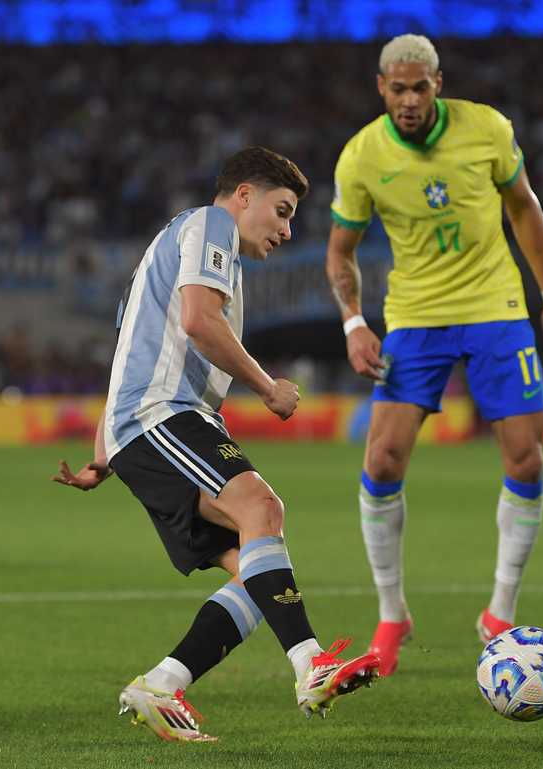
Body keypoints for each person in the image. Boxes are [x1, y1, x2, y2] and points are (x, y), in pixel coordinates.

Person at [53, 147, 379, 742]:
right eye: (281, 212)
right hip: (162, 417)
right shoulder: (211, 225)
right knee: (263, 508)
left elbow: (127, 350)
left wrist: (103, 456)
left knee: (258, 574)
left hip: (143, 428)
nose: (285, 229)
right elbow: (200, 322)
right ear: (244, 195)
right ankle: (310, 665)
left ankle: (161, 683)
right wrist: (268, 388)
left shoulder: (172, 248)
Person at [325, 34, 543, 675]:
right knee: (381, 460)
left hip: (497, 309)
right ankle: (391, 614)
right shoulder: (360, 157)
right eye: (397, 88)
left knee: (525, 454)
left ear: (439, 83)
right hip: (415, 319)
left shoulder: (487, 129)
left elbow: (524, 207)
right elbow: (340, 252)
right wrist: (355, 323)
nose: (409, 100)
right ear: (380, 88)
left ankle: (500, 611)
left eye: (421, 86)